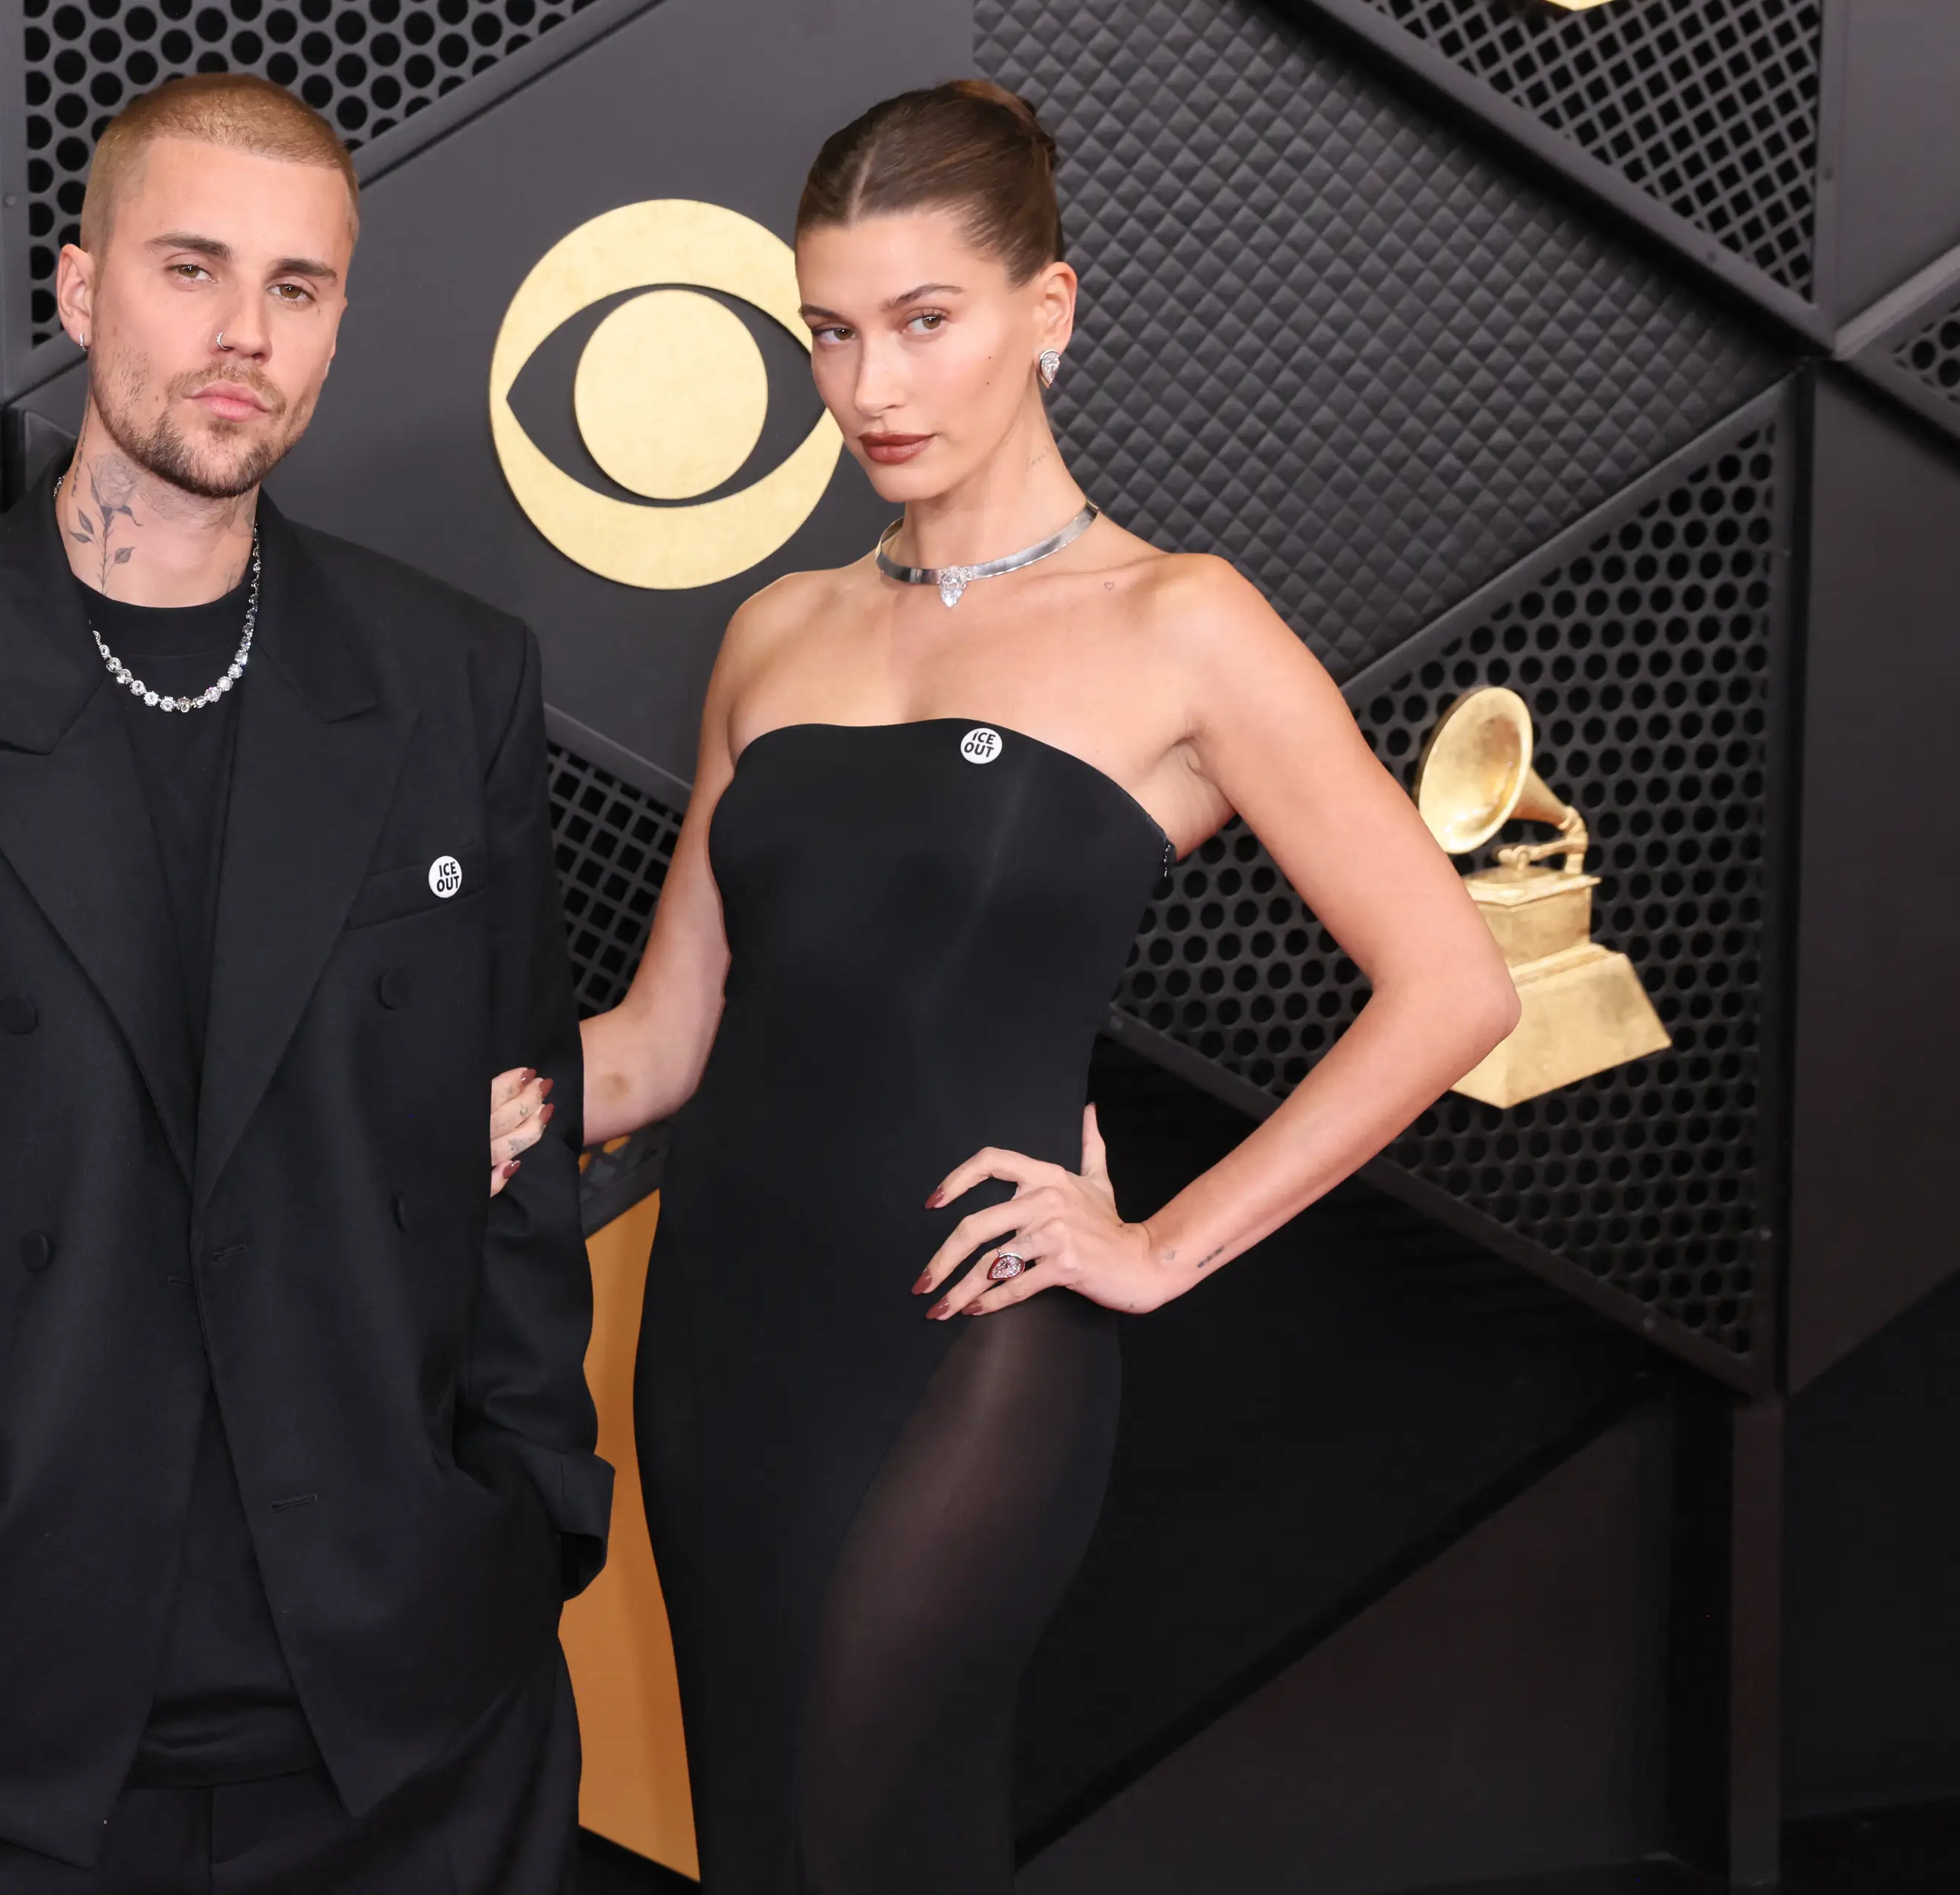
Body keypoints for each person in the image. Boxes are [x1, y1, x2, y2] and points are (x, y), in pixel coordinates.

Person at [0, 74, 607, 1895]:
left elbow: (521, 1119)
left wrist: (529, 1505)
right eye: (192, 268)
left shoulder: (449, 680)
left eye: (301, 288)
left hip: (397, 1717)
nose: (246, 336)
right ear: (82, 291)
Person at [572, 81, 1523, 1891]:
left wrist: (1159, 1245)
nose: (875, 389)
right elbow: (660, 1038)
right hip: (715, 1341)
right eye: (833, 333)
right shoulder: (778, 629)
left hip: (970, 1335)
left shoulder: (1182, 621)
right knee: (764, 1843)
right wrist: (471, 1086)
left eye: (926, 322)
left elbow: (1453, 985)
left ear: (1051, 313)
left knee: (870, 1834)